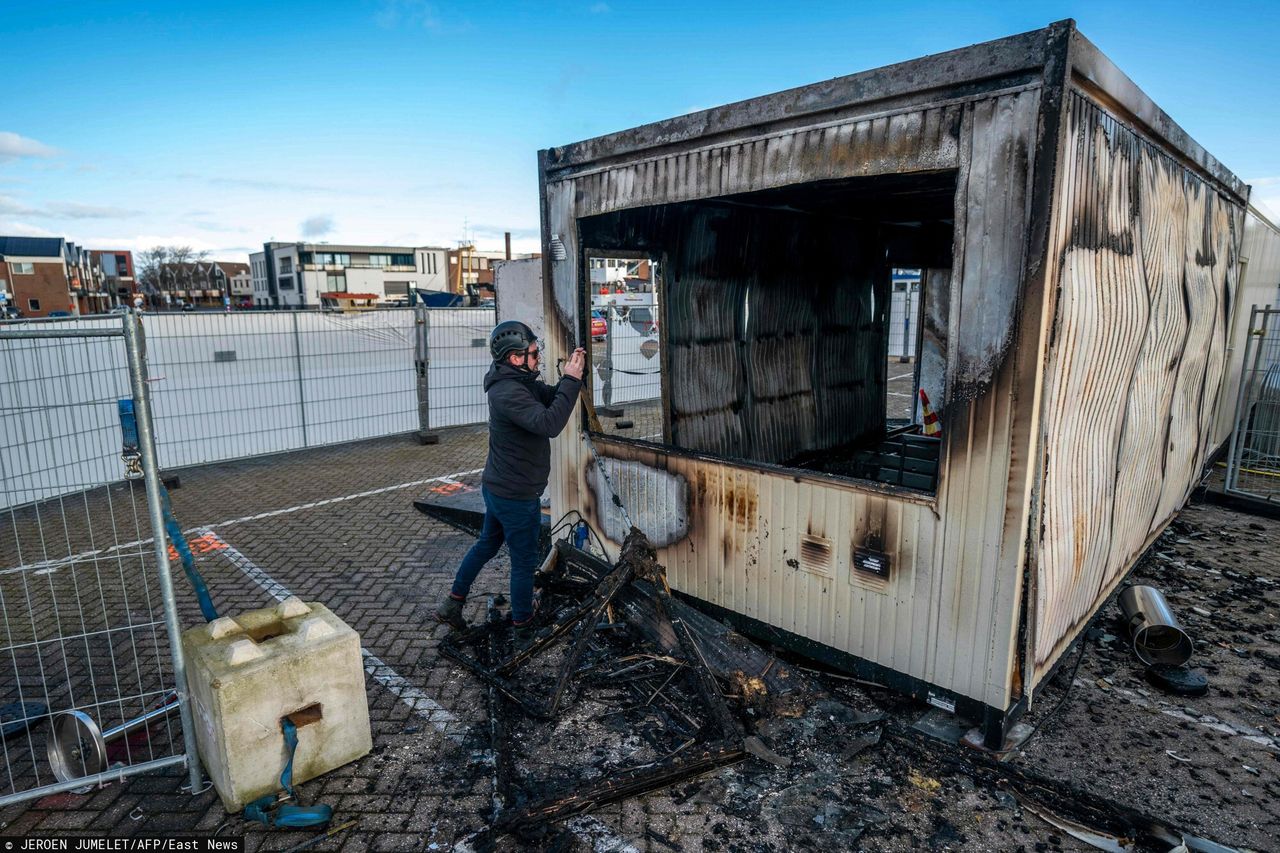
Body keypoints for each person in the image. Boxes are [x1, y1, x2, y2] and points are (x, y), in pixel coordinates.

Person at [435, 320, 587, 647]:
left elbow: (549, 397)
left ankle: (452, 604)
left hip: (500, 487)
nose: (538, 357)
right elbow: (550, 422)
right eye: (533, 353)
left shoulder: (516, 380)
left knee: (487, 545)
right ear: (515, 357)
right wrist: (571, 381)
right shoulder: (508, 393)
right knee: (522, 563)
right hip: (515, 496)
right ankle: (523, 628)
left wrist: (570, 379)